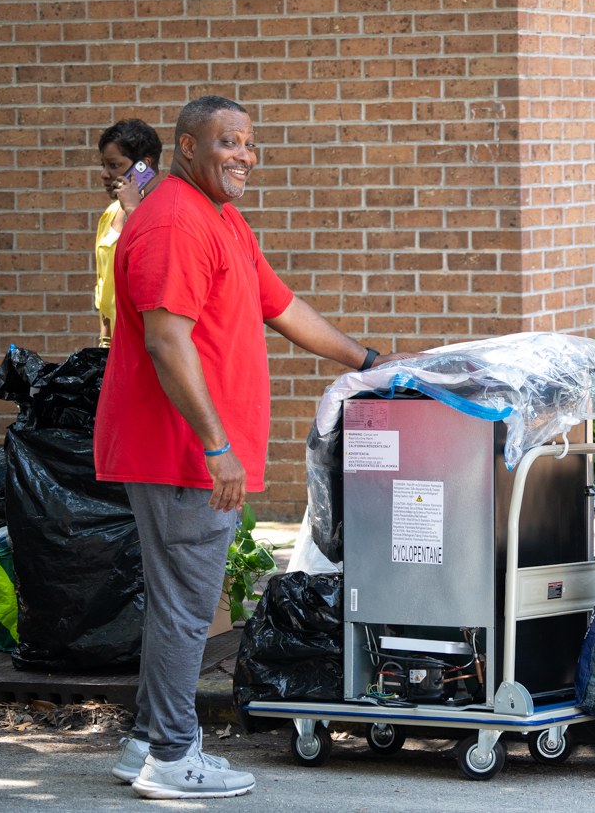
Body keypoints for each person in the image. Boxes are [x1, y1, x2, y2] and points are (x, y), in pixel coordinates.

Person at [94, 95, 414, 800]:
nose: (242, 153)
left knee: (173, 602)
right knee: (185, 605)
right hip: (182, 452)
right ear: (184, 147)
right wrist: (216, 446)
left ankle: (148, 738)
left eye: (248, 142)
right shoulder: (176, 218)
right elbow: (165, 339)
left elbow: (283, 307)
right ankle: (174, 756)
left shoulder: (222, 220)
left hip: (185, 451)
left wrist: (369, 360)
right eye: (225, 141)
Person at [95, 119, 163, 348]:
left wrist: (134, 210)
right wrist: (104, 343)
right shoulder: (111, 214)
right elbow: (104, 284)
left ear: (143, 166)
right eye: (103, 165)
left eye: (113, 165)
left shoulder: (165, 211)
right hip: (115, 347)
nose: (104, 174)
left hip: (146, 345)